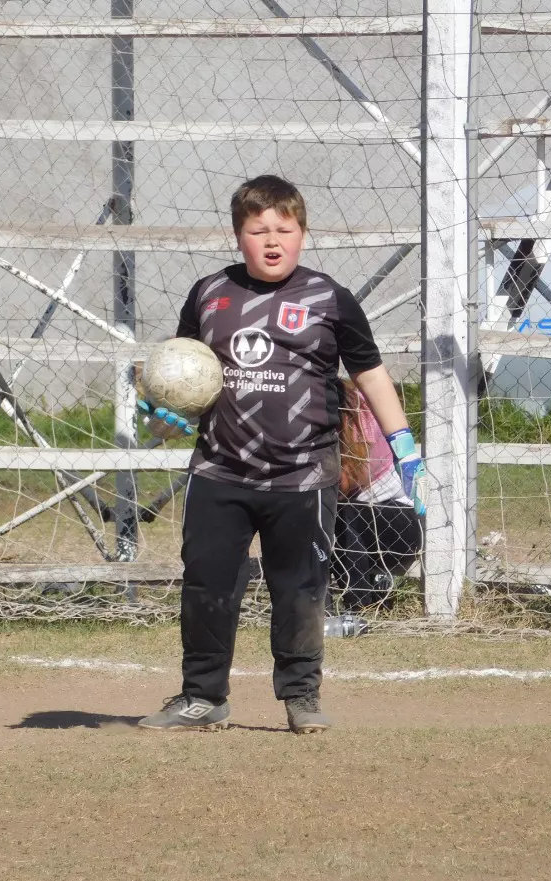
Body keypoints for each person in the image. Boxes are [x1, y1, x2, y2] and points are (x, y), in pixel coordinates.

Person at [137, 175, 425, 735]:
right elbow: (183, 376)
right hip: (220, 470)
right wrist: (166, 416)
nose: (272, 241)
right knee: (207, 584)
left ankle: (301, 698)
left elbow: (369, 373)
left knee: (299, 588)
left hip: (303, 475)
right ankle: (202, 697)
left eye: (284, 229)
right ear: (238, 235)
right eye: (258, 230)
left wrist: (405, 448)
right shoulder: (208, 294)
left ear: (302, 233)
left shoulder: (330, 298)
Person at [325, 378, 422, 635]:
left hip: (399, 527)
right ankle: (320, 606)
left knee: (343, 510)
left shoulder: (361, 424)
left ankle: (359, 607)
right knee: (318, 514)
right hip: (357, 536)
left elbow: (343, 486)